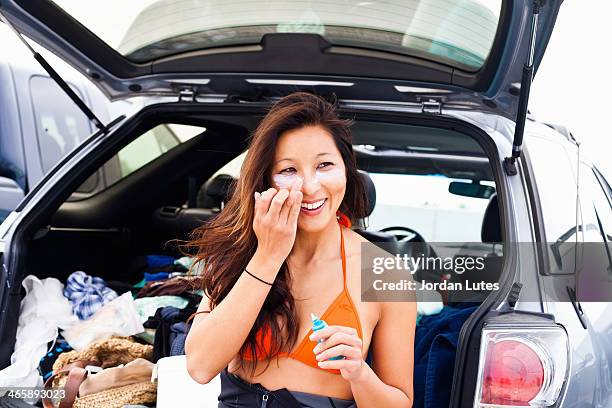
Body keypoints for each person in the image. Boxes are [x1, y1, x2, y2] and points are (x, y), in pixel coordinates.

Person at [184, 92, 416, 407]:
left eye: (324, 165)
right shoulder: (240, 251)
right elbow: (200, 366)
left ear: (346, 170)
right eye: (289, 170)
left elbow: (400, 402)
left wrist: (359, 373)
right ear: (265, 180)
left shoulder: (385, 273)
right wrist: (268, 256)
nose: (309, 186)